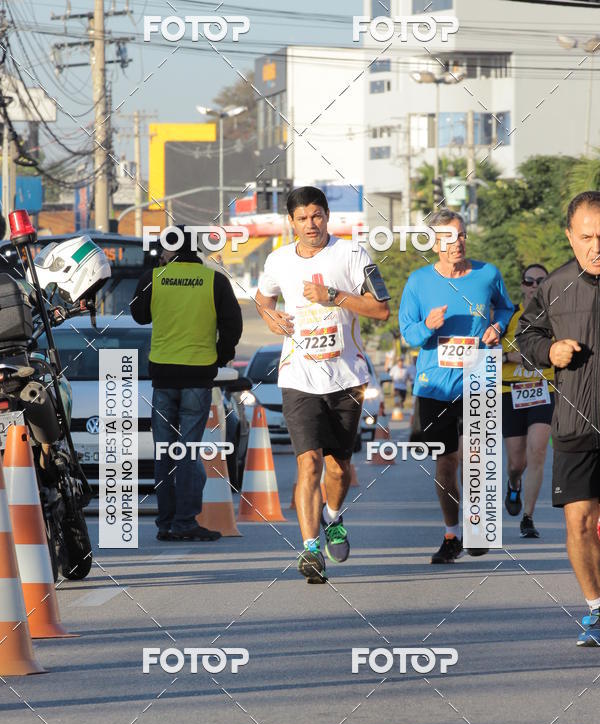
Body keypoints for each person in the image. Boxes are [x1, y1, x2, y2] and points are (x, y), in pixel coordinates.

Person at [255, 185, 390, 583]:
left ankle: (333, 517)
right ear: (291, 223)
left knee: (339, 469)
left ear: (327, 216)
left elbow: (380, 310)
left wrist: (334, 295)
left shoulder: (352, 254)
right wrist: (269, 317)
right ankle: (311, 549)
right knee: (308, 463)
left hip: (347, 378)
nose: (310, 224)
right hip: (298, 377)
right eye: (302, 218)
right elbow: (263, 300)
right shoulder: (278, 260)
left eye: (317, 215)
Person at [399, 208, 514, 564]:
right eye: (449, 237)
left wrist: (498, 327)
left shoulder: (487, 274)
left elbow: (507, 309)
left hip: (479, 378)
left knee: (476, 458)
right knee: (446, 463)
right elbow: (408, 333)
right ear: (435, 243)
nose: (457, 242)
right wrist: (429, 327)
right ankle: (452, 534)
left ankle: (478, 529)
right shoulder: (419, 282)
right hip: (435, 386)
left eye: (461, 235)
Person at [517, 190, 600, 647]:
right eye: (586, 236)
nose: (596, 246)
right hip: (576, 422)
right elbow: (526, 337)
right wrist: (549, 350)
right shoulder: (555, 287)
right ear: (570, 236)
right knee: (579, 524)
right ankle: (596, 609)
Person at [131, 228, 243, 541]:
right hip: (197, 375)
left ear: (169, 249)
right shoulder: (214, 281)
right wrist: (221, 355)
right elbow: (233, 324)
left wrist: (153, 275)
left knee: (164, 451)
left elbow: (138, 316)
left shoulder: (154, 278)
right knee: (188, 451)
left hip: (163, 377)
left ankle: (166, 523)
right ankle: (184, 523)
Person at [502, 264, 553, 538]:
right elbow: (486, 354)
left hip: (543, 390)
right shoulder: (507, 315)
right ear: (522, 285)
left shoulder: (556, 315)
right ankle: (513, 484)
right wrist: (511, 357)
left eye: (540, 281)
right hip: (509, 391)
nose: (534, 285)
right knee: (515, 462)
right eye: (529, 281)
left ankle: (528, 517)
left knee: (538, 451)